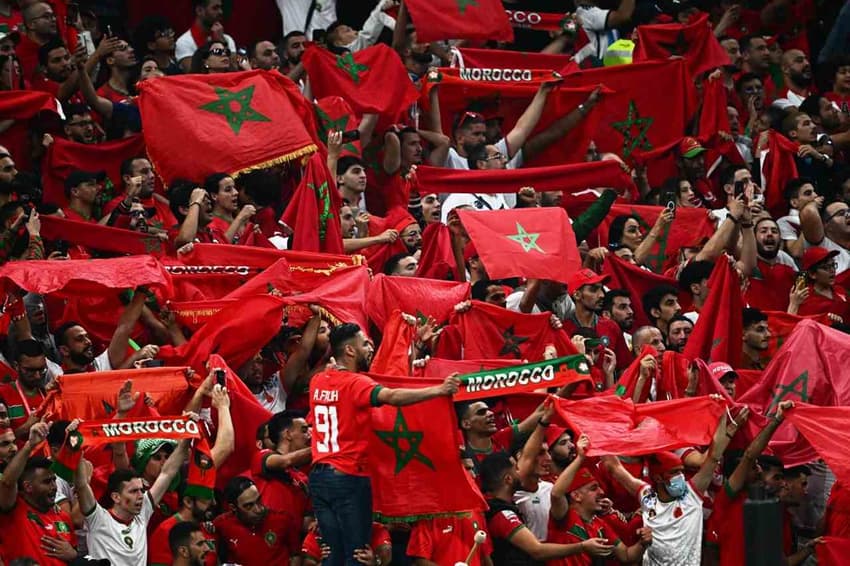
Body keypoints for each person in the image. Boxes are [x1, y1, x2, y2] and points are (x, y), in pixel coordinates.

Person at [308, 322, 459, 566]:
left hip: (319, 479)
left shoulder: (318, 382)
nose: (370, 347)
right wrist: (438, 390)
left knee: (332, 556)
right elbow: (391, 396)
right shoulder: (355, 384)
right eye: (365, 343)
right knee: (358, 556)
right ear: (349, 351)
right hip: (348, 478)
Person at [603, 407, 743, 565]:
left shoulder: (691, 494)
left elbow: (713, 458)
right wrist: (599, 428)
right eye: (674, 472)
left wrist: (723, 417)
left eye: (682, 471)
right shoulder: (648, 498)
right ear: (658, 477)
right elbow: (613, 467)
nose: (681, 477)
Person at [75, 430, 189, 564]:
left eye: (141, 490)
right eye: (134, 491)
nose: (141, 496)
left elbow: (167, 473)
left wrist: (186, 439)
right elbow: (82, 485)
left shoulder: (142, 514)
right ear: (116, 497)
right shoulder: (98, 519)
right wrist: (75, 445)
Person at [480, 451, 609, 564]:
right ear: (508, 479)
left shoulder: (506, 505)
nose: (522, 472)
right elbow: (537, 550)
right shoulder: (502, 514)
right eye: (516, 469)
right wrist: (582, 547)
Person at [548, 434, 652, 564]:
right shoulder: (564, 517)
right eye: (593, 488)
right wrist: (580, 457)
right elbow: (556, 494)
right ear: (576, 496)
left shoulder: (599, 524)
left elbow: (626, 556)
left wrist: (643, 543)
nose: (601, 492)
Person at [0, 421, 78, 565]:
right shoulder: (13, 509)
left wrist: (74, 555)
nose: (54, 486)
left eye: (54, 480)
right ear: (28, 487)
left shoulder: (63, 516)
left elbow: (74, 556)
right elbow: (7, 483)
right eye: (47, 482)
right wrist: (30, 445)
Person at [175, 0, 236, 72]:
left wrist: (221, 42)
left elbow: (234, 70)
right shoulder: (184, 42)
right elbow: (193, 74)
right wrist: (216, 42)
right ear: (199, 11)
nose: (220, 12)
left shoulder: (227, 39)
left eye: (220, 8)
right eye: (215, 8)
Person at [794, 247, 850, 322]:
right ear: (812, 274)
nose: (832, 270)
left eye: (833, 265)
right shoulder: (805, 299)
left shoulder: (840, 290)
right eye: (826, 267)